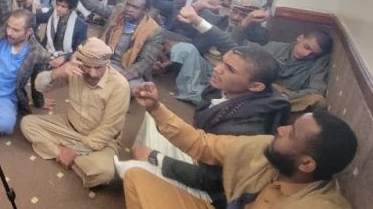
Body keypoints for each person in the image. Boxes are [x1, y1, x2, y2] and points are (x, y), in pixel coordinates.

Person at [122, 81, 356, 209]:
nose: (281, 130)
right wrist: (156, 108)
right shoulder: (265, 147)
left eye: (291, 134)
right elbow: (203, 144)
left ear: (306, 164)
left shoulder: (317, 205)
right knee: (136, 177)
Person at [122, 45, 290, 207]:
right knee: (154, 120)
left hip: (211, 193)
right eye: (222, 61)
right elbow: (201, 141)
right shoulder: (229, 91)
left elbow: (212, 181)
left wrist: (156, 158)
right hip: (200, 159)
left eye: (230, 69)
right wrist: (155, 107)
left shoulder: (249, 129)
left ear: (255, 86)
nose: (217, 68)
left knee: (130, 169)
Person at [20, 38, 130, 188]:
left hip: (100, 140)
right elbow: (39, 86)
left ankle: (63, 153)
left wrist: (75, 150)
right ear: (79, 62)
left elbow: (109, 129)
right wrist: (57, 73)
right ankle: (65, 156)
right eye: (87, 67)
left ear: (107, 63)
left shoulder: (120, 85)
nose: (92, 73)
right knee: (27, 123)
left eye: (98, 67)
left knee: (105, 173)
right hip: (68, 126)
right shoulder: (74, 70)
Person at [75, 0, 162, 91]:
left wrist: (116, 78)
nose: (129, 9)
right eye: (128, 5)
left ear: (145, 11)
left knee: (135, 89)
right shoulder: (118, 12)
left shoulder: (154, 31)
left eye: (135, 7)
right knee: (77, 67)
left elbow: (144, 63)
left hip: (126, 70)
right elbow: (91, 4)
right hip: (103, 61)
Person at [264, 30, 333, 112]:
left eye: (313, 54)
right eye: (306, 47)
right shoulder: (272, 48)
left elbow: (316, 90)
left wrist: (288, 95)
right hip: (263, 90)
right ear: (300, 38)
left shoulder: (318, 64)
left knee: (319, 101)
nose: (306, 54)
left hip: (288, 99)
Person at [42, 0, 88, 68]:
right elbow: (45, 40)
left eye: (63, 6)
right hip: (49, 53)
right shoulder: (52, 17)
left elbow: (80, 51)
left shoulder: (80, 26)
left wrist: (65, 57)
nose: (58, 9)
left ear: (71, 8)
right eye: (57, 5)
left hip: (67, 60)